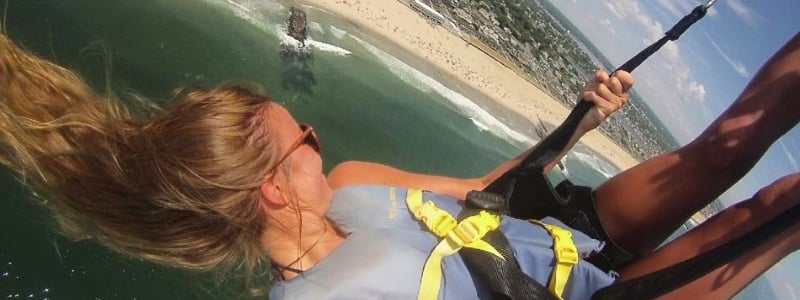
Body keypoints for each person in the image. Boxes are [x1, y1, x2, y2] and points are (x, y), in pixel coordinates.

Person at [1, 22, 799, 299]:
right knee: (778, 208)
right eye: (304, 141)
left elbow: (483, 191)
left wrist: (577, 125)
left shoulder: (353, 185)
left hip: (554, 233)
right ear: (272, 193)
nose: (320, 139)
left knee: (726, 146)